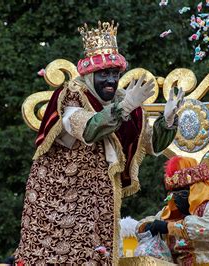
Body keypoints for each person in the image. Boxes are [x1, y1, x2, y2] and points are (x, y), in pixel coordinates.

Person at [13, 21, 184, 265]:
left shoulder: (127, 103)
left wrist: (167, 121)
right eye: (104, 74)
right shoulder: (73, 95)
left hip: (100, 200)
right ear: (89, 75)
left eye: (115, 74)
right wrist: (123, 108)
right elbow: (89, 129)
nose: (111, 81)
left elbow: (149, 144)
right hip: (62, 199)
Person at [137, 156, 209, 265]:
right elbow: (144, 225)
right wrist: (147, 227)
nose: (177, 195)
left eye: (184, 190)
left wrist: (170, 227)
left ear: (199, 187)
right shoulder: (170, 213)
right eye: (174, 191)